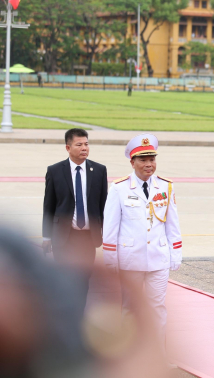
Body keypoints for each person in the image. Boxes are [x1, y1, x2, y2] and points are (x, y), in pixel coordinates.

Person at [102, 133, 182, 366]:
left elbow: (172, 224)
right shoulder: (119, 188)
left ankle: (158, 356)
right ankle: (129, 355)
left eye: (152, 159)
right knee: (130, 308)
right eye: (143, 159)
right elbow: (110, 228)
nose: (149, 164)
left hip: (158, 258)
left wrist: (175, 253)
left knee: (157, 308)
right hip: (130, 259)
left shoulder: (166, 186)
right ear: (132, 162)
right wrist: (110, 261)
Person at [42, 128, 108, 317]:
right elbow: (49, 205)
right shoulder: (55, 171)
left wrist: (109, 235)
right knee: (64, 278)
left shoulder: (99, 170)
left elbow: (104, 206)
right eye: (79, 145)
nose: (84, 148)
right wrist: (46, 236)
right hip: (63, 236)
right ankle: (64, 315)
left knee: (84, 278)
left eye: (86, 144)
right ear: (68, 147)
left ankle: (78, 315)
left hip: (88, 237)